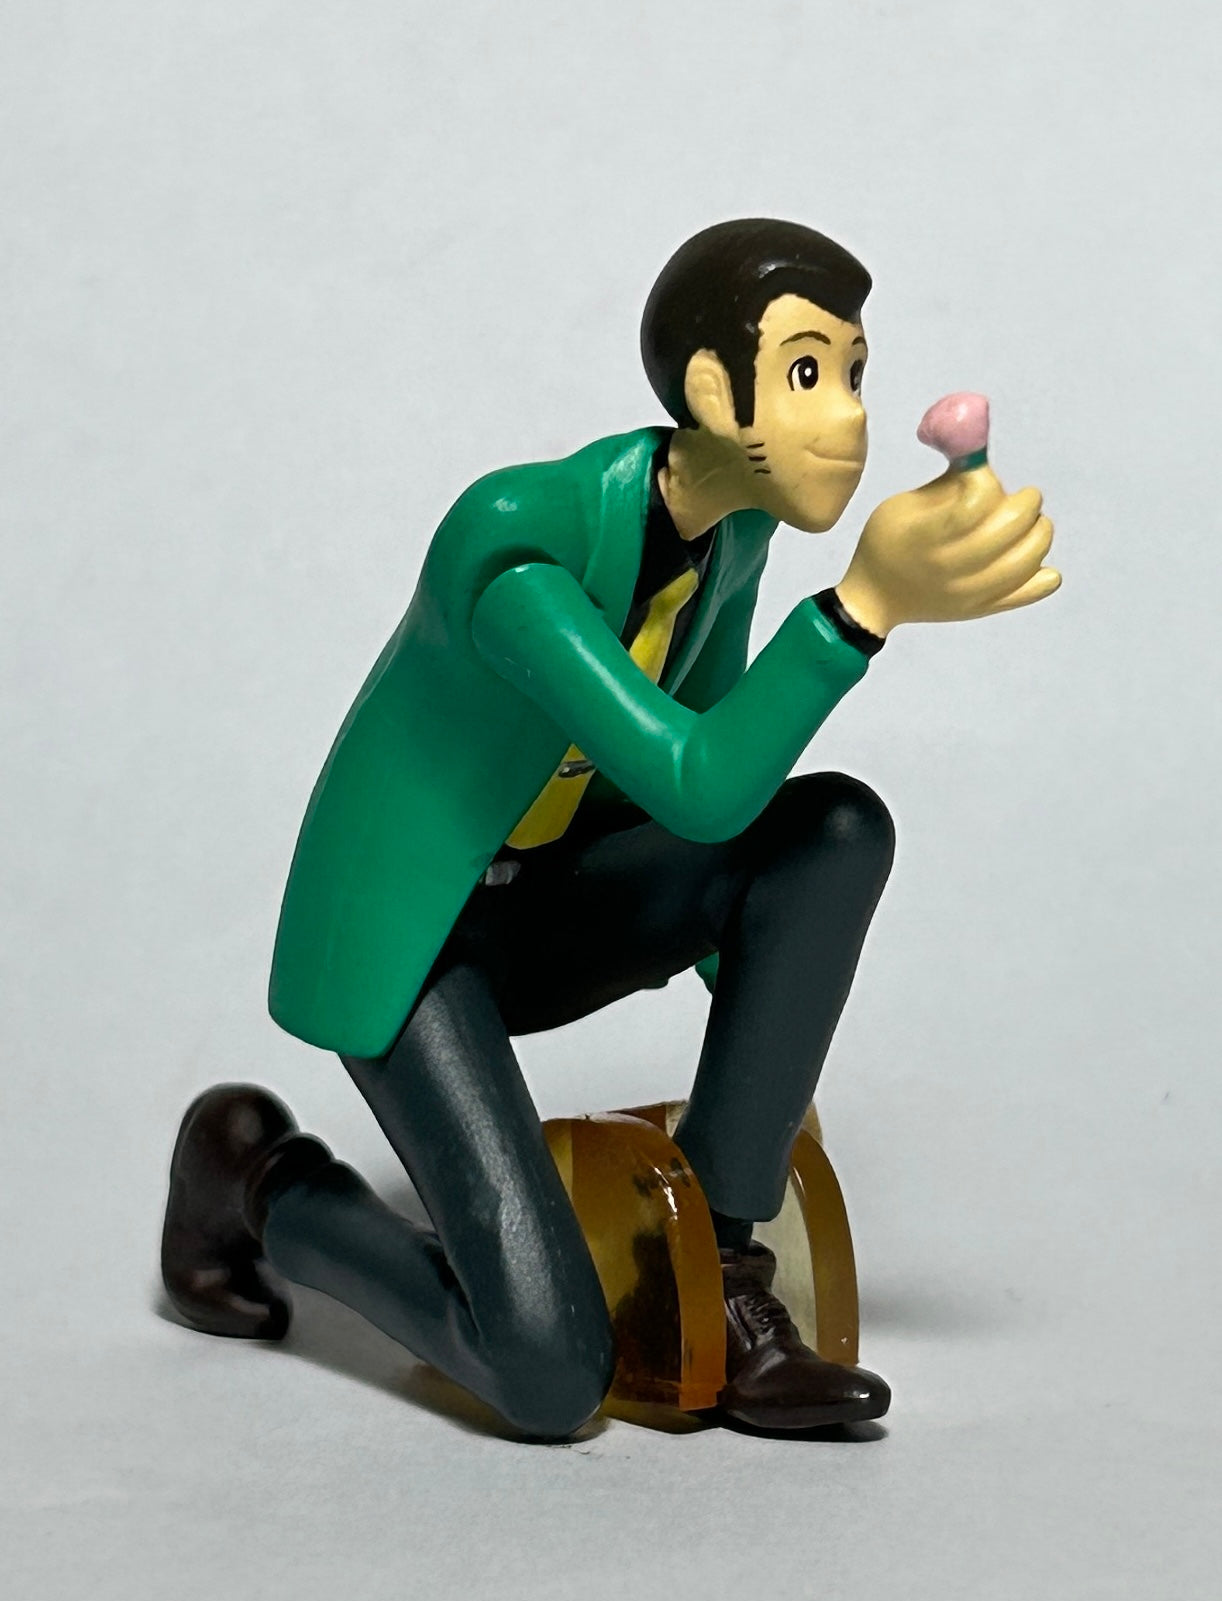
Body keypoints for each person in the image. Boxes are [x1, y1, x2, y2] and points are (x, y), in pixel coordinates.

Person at [161, 219, 1058, 1440]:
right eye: (806, 372)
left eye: (854, 372)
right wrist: (862, 610)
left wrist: (763, 1025)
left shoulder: (733, 536)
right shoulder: (516, 545)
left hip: (557, 903)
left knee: (834, 830)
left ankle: (728, 1280)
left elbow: (711, 774)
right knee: (547, 1373)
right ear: (711, 393)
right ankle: (257, 1178)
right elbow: (695, 784)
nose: (848, 416)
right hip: (421, 938)